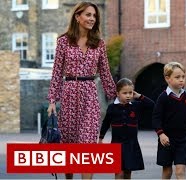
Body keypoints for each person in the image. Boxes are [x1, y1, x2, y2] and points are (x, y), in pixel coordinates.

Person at [46, 2, 116, 179]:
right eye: (88, 15)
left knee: (88, 148)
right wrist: (52, 101)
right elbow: (56, 72)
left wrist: (120, 99)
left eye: (94, 16)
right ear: (77, 17)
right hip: (69, 95)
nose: (92, 18)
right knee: (69, 148)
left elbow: (106, 74)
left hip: (90, 97)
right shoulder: (63, 41)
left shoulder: (99, 44)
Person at [152, 62, 186, 179]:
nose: (181, 80)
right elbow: (156, 118)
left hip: (182, 140)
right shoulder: (163, 98)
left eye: (183, 77)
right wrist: (161, 134)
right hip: (166, 140)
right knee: (167, 172)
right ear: (168, 78)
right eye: (177, 77)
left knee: (180, 171)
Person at [98, 78, 154, 179]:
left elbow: (152, 105)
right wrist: (101, 138)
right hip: (116, 145)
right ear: (118, 93)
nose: (128, 95)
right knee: (118, 173)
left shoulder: (136, 106)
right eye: (125, 93)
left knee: (128, 173)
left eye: (130, 92)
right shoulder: (112, 107)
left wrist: (139, 96)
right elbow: (105, 123)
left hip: (131, 145)